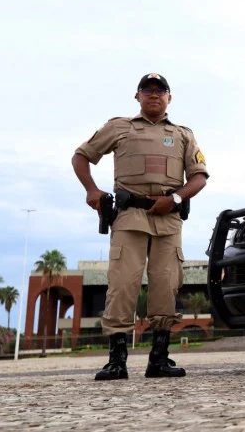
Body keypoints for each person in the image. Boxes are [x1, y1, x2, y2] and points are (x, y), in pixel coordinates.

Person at [72, 73, 209, 380]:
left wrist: (175, 198)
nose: (153, 94)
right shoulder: (120, 127)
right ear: (137, 97)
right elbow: (81, 156)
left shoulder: (183, 134)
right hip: (129, 216)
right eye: (147, 90)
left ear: (169, 98)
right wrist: (92, 191)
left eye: (160, 91)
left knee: (165, 285)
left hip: (168, 217)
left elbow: (199, 176)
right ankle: (116, 361)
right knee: (122, 285)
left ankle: (159, 359)